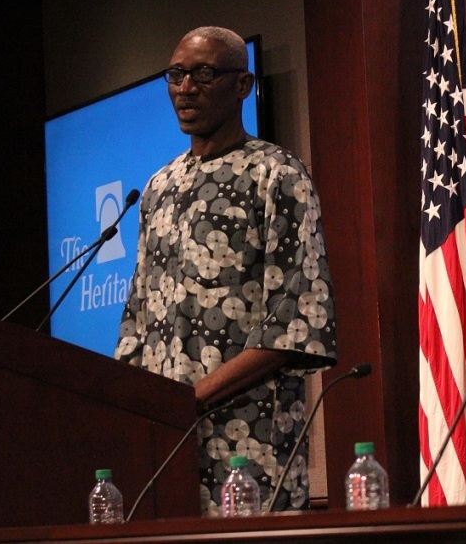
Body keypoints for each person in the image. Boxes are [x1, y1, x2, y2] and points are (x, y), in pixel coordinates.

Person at [114, 26, 336, 515]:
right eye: (176, 74)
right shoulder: (159, 187)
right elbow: (137, 325)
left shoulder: (277, 175)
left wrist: (190, 400)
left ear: (242, 85)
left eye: (203, 74)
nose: (185, 88)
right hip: (164, 449)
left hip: (250, 446)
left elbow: (295, 322)